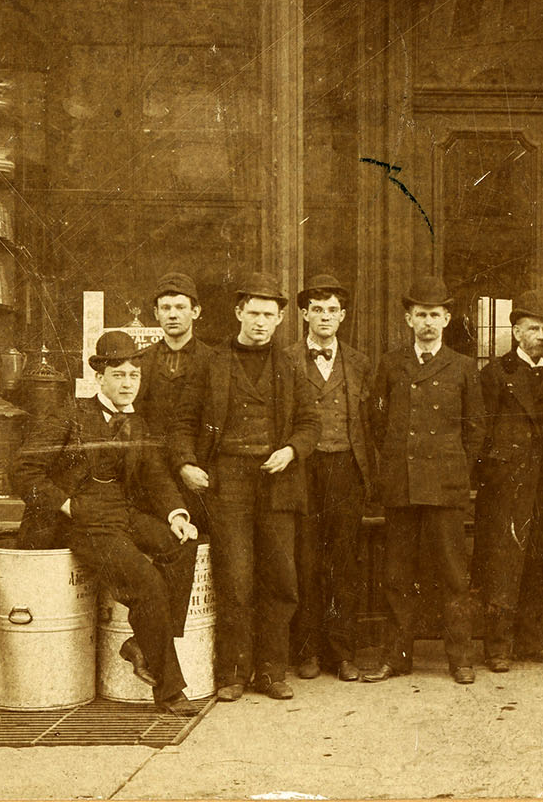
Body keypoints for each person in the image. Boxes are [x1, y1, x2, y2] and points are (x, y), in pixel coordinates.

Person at [15, 330, 202, 713]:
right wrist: (66, 506)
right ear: (99, 377)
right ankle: (169, 690)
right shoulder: (69, 414)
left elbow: (155, 477)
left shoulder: (138, 423)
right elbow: (24, 470)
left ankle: (141, 644)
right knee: (146, 582)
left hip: (123, 513)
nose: (128, 384)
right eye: (119, 375)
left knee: (182, 544)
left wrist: (177, 514)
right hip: (84, 521)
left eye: (134, 375)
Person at [175, 274, 318, 702]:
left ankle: (272, 671)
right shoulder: (209, 363)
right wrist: (185, 463)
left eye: (268, 316)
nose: (260, 322)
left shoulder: (291, 365)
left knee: (279, 578)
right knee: (235, 579)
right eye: (252, 313)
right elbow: (181, 424)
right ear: (238, 312)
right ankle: (234, 672)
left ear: (280, 320)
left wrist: (291, 450)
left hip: (278, 481)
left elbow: (311, 424)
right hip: (227, 484)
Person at [364, 277, 484, 685]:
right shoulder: (390, 363)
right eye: (421, 315)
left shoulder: (464, 367)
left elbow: (475, 431)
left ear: (447, 319)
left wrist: (454, 471)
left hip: (445, 488)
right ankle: (397, 658)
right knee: (397, 576)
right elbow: (377, 421)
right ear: (408, 319)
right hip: (402, 487)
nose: (428, 323)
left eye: (435, 315)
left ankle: (461, 659)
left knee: (454, 576)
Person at [289, 272, 377, 682]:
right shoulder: (287, 359)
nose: (325, 317)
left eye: (332, 310)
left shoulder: (359, 362)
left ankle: (342, 652)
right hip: (302, 470)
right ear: (305, 314)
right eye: (317, 309)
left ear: (343, 316)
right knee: (304, 561)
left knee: (344, 563)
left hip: (346, 469)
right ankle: (306, 651)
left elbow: (370, 422)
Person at [474, 299, 543, 672]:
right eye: (533, 329)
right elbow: (480, 431)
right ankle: (498, 647)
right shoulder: (496, 373)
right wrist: (489, 479)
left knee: (538, 563)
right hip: (507, 486)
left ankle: (532, 641)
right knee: (503, 565)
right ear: (516, 332)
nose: (540, 336)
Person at [133, 271, 213, 517]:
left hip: (199, 473)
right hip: (151, 472)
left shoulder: (215, 361)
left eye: (180, 307)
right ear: (156, 313)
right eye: (165, 307)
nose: (173, 314)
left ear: (196, 311)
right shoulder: (140, 361)